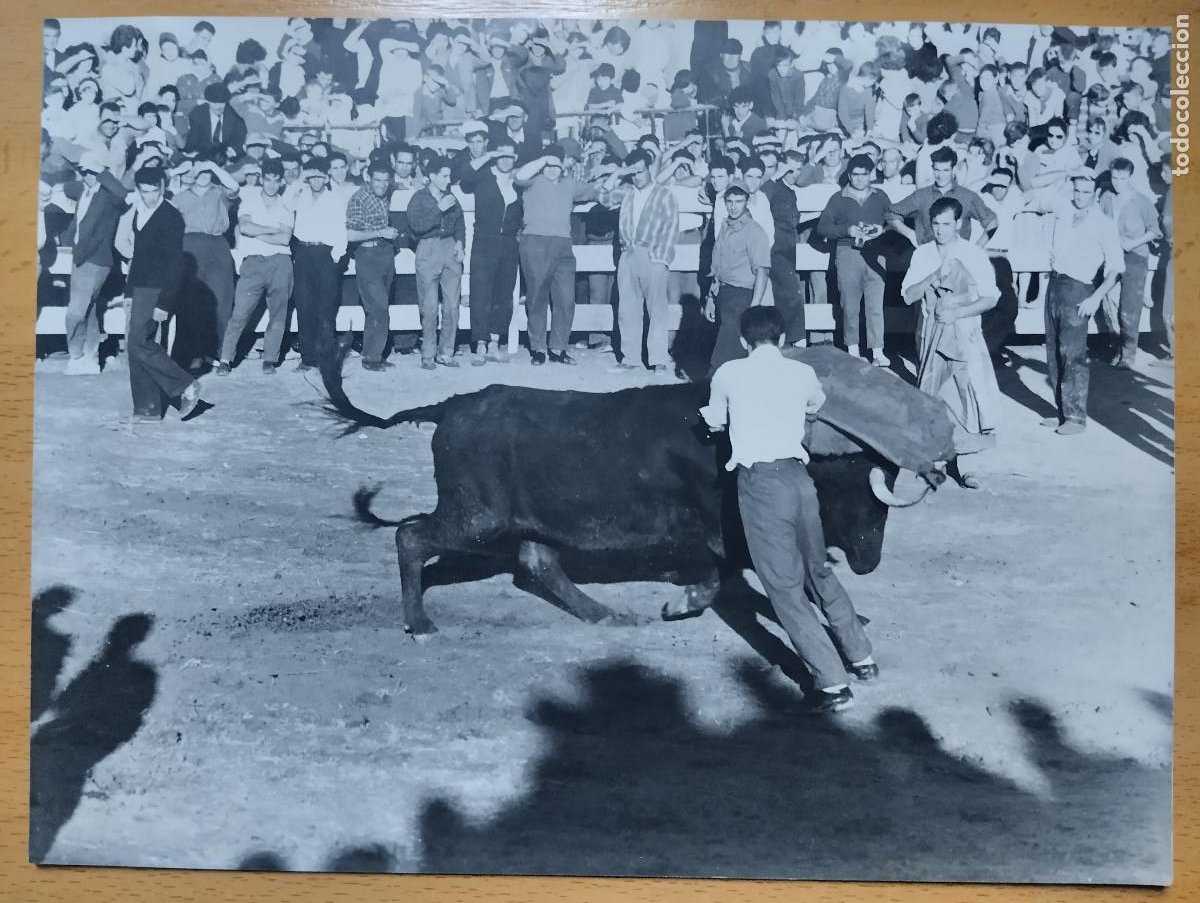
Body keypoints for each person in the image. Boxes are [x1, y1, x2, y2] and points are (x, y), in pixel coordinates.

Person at [700, 306, 876, 715]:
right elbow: (815, 405)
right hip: (800, 481)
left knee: (783, 585)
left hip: (761, 484)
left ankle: (833, 684)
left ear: (744, 341)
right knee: (817, 570)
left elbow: (713, 421)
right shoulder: (801, 373)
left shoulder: (729, 372)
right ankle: (862, 657)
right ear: (780, 339)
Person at [901, 197, 1002, 486]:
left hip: (964, 332)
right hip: (930, 332)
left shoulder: (973, 253)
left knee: (966, 397)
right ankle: (939, 461)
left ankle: (965, 466)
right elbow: (908, 295)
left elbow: (991, 298)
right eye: (936, 224)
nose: (941, 230)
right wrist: (933, 276)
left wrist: (958, 311)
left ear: (958, 224)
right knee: (933, 397)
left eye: (947, 224)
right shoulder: (922, 254)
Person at [117, 166, 203, 421]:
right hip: (140, 288)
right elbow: (139, 258)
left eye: (154, 191)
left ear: (163, 188)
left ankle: (186, 385)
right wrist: (129, 292)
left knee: (139, 343)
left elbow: (175, 264)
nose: (149, 196)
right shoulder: (139, 212)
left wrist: (164, 302)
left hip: (158, 291)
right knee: (136, 347)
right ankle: (147, 407)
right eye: (144, 192)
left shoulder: (170, 216)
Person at [1042, 172, 1124, 435]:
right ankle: (1061, 412)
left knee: (1073, 354)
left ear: (1096, 194)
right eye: (1076, 190)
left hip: (1079, 290)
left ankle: (1076, 418)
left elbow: (1115, 268)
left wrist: (1096, 297)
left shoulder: (1104, 224)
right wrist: (1066, 174)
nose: (1080, 196)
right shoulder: (1064, 212)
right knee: (1054, 351)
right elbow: (1039, 198)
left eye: (1086, 192)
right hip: (1054, 285)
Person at [513, 146, 599, 365]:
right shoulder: (532, 181)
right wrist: (543, 159)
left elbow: (595, 190)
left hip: (564, 245)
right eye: (548, 166)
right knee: (537, 297)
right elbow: (519, 175)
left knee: (566, 299)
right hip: (535, 242)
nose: (551, 170)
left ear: (563, 166)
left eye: (556, 165)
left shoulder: (569, 185)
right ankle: (538, 348)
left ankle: (558, 348)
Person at [596, 149, 680, 373]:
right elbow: (603, 197)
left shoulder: (664, 194)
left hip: (652, 255)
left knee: (657, 310)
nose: (637, 177)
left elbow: (671, 228)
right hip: (628, 254)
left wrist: (660, 259)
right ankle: (630, 358)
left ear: (650, 169)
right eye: (633, 173)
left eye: (640, 171)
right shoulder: (626, 192)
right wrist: (620, 172)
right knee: (628, 309)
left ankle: (658, 358)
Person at [217, 157, 294, 374]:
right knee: (239, 313)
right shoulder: (249, 201)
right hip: (252, 264)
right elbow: (246, 229)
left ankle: (270, 359)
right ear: (262, 180)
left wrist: (259, 230)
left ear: (281, 182)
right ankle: (225, 359)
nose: (271, 185)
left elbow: (285, 239)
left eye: (275, 181)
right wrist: (272, 229)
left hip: (280, 262)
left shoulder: (286, 204)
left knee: (278, 314)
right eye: (267, 180)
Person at [815, 153, 893, 365]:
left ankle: (877, 351)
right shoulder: (838, 198)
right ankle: (853, 349)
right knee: (849, 304)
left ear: (871, 175)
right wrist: (846, 230)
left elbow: (894, 220)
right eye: (855, 175)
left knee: (875, 304)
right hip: (848, 252)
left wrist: (882, 229)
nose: (859, 179)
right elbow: (822, 227)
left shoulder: (880, 196)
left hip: (876, 253)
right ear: (849, 175)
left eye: (864, 175)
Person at [61, 150, 129, 375]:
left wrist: (101, 171)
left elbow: (122, 193)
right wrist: (80, 165)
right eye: (83, 172)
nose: (86, 176)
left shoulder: (108, 196)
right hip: (81, 257)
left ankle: (76, 355)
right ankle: (89, 358)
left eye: (90, 172)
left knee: (76, 311)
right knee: (87, 310)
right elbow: (66, 187)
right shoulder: (83, 191)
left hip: (97, 260)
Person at [458, 140, 523, 364]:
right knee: (481, 293)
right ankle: (480, 345)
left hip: (509, 244)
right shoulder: (484, 177)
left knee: (504, 295)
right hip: (484, 240)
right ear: (495, 156)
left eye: (510, 156)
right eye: (501, 156)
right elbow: (464, 175)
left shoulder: (519, 183)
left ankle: (495, 343)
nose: (506, 160)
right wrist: (489, 154)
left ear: (516, 158)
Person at [1099, 156, 1161, 368]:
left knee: (1129, 308)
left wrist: (1133, 242)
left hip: (1135, 257)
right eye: (1114, 177)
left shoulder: (1141, 201)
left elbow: (1155, 231)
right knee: (1109, 303)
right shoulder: (1106, 197)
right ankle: (1116, 349)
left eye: (1122, 178)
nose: (1117, 182)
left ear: (1130, 177)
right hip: (1111, 256)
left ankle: (1128, 355)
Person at [703, 183, 770, 375]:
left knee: (724, 355)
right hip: (723, 293)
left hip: (742, 297)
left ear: (747, 202)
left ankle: (709, 391)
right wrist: (710, 298)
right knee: (733, 352)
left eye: (739, 202)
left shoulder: (755, 232)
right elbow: (718, 268)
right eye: (729, 202)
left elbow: (762, 272)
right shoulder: (725, 227)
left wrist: (754, 307)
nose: (733, 206)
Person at [406, 154, 465, 370]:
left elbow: (460, 222)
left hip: (449, 247)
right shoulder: (419, 198)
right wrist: (438, 208)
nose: (447, 180)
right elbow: (415, 227)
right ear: (431, 176)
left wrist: (460, 242)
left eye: (449, 176)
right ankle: (428, 354)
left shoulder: (451, 196)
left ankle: (446, 352)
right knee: (429, 306)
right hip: (427, 248)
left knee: (452, 305)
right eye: (444, 176)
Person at [290, 156, 348, 372]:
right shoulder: (300, 196)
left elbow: (342, 231)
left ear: (326, 177)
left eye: (319, 176)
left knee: (325, 307)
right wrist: (301, 179)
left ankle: (326, 356)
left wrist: (335, 256)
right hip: (303, 252)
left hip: (326, 254)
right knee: (304, 306)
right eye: (311, 176)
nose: (315, 180)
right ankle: (307, 358)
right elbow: (286, 201)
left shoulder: (335, 200)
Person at [346, 159, 400, 371]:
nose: (382, 185)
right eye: (377, 180)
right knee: (379, 307)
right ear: (368, 178)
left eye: (386, 181)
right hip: (367, 255)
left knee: (378, 308)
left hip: (385, 253)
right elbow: (350, 235)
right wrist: (381, 233)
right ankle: (370, 358)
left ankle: (375, 354)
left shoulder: (385, 195)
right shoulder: (359, 199)